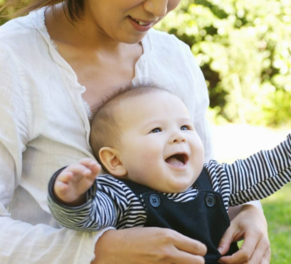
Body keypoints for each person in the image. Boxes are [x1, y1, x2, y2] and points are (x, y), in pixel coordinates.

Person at [0, 0, 272, 263]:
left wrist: (248, 210)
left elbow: (203, 174)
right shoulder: (11, 57)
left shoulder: (174, 56)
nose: (159, 8)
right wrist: (96, 252)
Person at [47, 85, 291, 263]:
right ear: (115, 161)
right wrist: (74, 196)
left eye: (185, 127)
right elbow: (88, 218)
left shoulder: (214, 178)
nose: (179, 137)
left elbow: (262, 171)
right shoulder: (123, 194)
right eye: (156, 129)